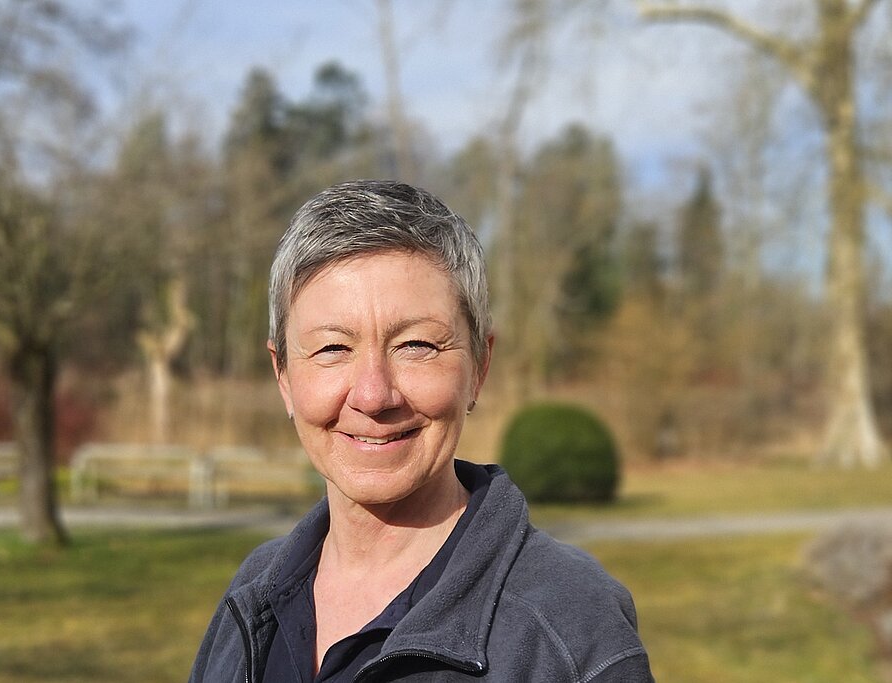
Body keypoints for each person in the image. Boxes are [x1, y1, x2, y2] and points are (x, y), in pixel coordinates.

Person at [189, 180, 654, 682]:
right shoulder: (252, 597)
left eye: (416, 345)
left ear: (479, 365)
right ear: (283, 376)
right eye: (332, 349)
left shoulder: (570, 628)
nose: (373, 395)